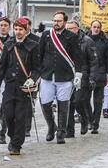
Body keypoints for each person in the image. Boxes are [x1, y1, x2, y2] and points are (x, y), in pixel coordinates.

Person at [37, 11, 86, 144]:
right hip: (47, 75)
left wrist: (78, 74)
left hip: (65, 76)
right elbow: (39, 55)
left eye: (59, 21)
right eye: (54, 21)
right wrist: (37, 73)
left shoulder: (71, 37)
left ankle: (61, 132)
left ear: (64, 22)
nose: (56, 23)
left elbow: (77, 57)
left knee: (63, 104)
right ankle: (51, 126)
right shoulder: (46, 35)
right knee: (45, 103)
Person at [0, 17, 40, 155]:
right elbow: (2, 66)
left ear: (26, 30)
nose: (18, 32)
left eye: (21, 29)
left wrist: (32, 79)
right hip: (9, 85)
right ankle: (12, 136)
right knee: (8, 115)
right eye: (16, 29)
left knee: (20, 117)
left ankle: (16, 145)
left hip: (24, 87)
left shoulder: (33, 46)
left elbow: (37, 68)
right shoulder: (8, 44)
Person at [64, 20, 95, 136]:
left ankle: (84, 118)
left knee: (78, 101)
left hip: (82, 74)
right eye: (67, 29)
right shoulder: (64, 40)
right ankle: (70, 130)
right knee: (68, 103)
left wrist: (92, 77)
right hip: (67, 75)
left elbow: (93, 61)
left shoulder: (87, 41)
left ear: (77, 29)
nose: (69, 31)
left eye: (71, 28)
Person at [86, 20, 108, 128]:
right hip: (87, 73)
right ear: (91, 27)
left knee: (98, 101)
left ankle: (95, 123)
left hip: (100, 73)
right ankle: (90, 119)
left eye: (98, 27)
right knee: (85, 99)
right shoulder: (85, 39)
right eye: (94, 27)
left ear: (100, 28)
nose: (96, 29)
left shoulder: (105, 41)